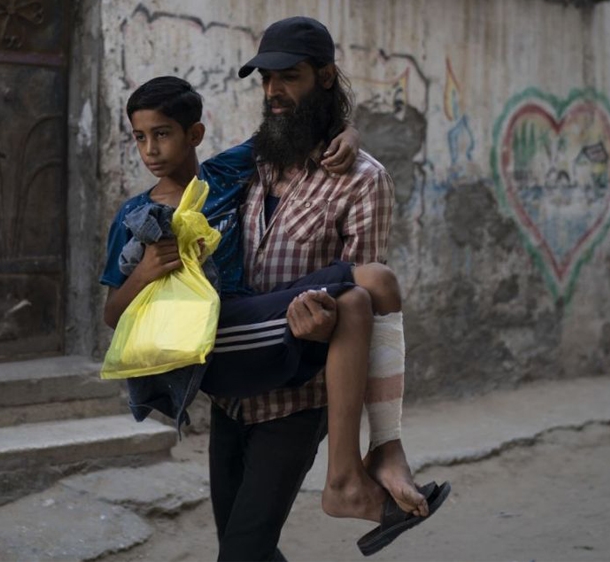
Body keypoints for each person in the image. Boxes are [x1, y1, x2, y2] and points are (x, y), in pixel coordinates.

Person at [100, 74, 445, 559]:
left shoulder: (223, 177)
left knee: (368, 290)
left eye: (162, 134)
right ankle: (357, 471)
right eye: (140, 137)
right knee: (365, 291)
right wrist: (145, 274)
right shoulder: (134, 217)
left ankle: (358, 467)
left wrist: (349, 132)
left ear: (194, 135)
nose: (151, 149)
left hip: (252, 324)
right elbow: (113, 315)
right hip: (211, 342)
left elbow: (295, 127)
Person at [204, 16, 449, 561]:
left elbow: (364, 310)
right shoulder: (252, 162)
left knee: (240, 552)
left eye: (289, 76)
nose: (274, 91)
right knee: (246, 546)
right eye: (266, 79)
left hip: (297, 395)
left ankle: (357, 473)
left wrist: (324, 322)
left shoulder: (363, 180)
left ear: (326, 77)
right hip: (233, 386)